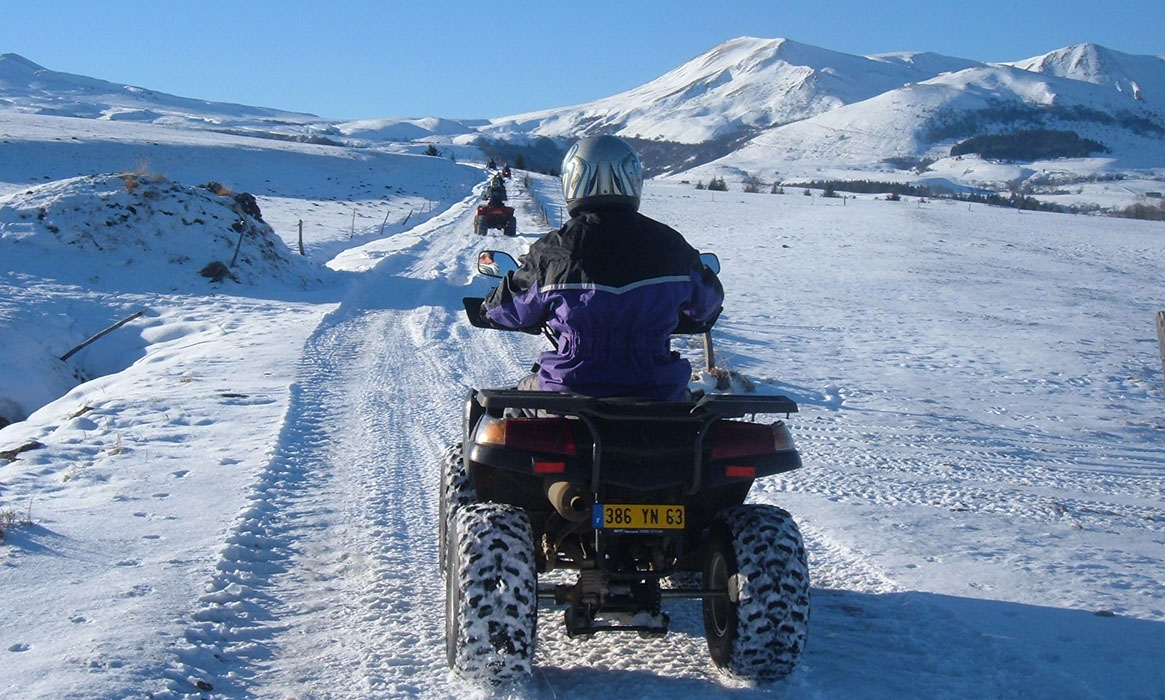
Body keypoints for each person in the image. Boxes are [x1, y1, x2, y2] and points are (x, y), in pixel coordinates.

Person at [481, 134, 723, 401]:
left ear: (572, 180)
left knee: (495, 413)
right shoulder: (673, 246)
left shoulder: (551, 252)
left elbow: (505, 310)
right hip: (659, 393)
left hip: (569, 393)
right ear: (633, 178)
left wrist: (489, 307)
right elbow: (708, 306)